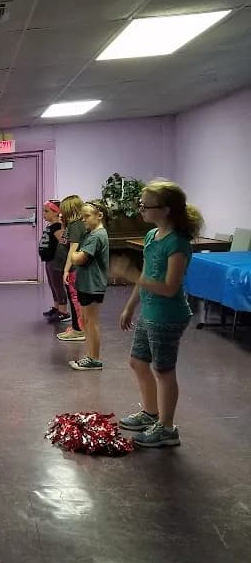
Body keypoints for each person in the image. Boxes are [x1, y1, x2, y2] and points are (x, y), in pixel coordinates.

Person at [110, 180, 203, 447]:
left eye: (145, 205)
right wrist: (130, 306)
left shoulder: (178, 243)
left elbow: (169, 287)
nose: (141, 210)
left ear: (166, 210)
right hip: (149, 312)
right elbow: (148, 277)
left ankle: (167, 428)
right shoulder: (152, 237)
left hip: (168, 315)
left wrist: (130, 274)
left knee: (163, 370)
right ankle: (150, 413)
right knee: (138, 362)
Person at [67, 201, 110, 371]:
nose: (83, 220)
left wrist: (74, 254)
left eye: (87, 216)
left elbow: (78, 258)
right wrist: (76, 254)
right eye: (82, 217)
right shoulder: (90, 233)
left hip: (93, 285)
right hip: (86, 283)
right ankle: (90, 355)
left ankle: (95, 358)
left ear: (99, 216)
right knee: (86, 321)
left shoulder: (96, 236)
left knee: (92, 322)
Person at [56, 195, 86, 341]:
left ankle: (79, 330)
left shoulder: (76, 225)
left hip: (74, 269)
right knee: (73, 297)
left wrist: (67, 269)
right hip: (72, 269)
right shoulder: (72, 225)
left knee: (75, 299)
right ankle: (76, 326)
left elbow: (73, 249)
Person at [39, 200, 70, 322]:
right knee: (52, 285)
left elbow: (63, 242)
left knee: (57, 285)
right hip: (49, 260)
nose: (44, 214)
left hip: (55, 261)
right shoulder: (50, 226)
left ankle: (64, 311)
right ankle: (56, 307)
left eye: (46, 211)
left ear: (57, 213)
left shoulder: (57, 227)